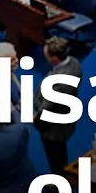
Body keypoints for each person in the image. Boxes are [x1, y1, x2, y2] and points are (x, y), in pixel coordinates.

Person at [35, 38, 82, 174]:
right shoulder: (74, 62)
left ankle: (60, 181)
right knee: (61, 152)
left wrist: (36, 120)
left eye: (46, 54)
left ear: (55, 58)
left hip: (54, 128)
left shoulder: (59, 83)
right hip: (66, 114)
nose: (44, 56)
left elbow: (46, 109)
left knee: (55, 158)